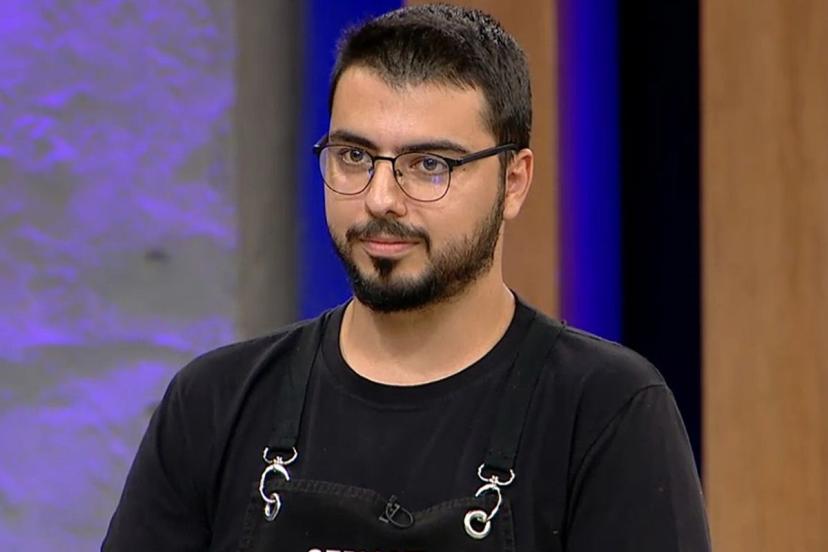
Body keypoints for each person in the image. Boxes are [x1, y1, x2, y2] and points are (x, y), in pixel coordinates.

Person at [102, 5, 710, 551]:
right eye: (355, 157)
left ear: (514, 181)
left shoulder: (603, 411)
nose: (381, 198)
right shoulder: (215, 403)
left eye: (428, 165)